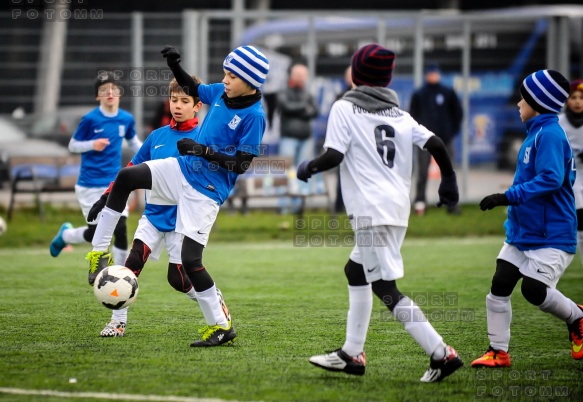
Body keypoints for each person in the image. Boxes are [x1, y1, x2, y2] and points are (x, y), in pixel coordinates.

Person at [296, 44, 463, 382]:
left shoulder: (345, 107)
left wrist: (308, 167)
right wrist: (449, 180)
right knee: (355, 272)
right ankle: (352, 353)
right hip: (395, 209)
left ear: (356, 75)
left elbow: (333, 156)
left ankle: (441, 353)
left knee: (386, 288)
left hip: (370, 212)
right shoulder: (398, 114)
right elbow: (436, 144)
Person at [84, 44, 269, 347]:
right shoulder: (222, 94)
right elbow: (194, 86)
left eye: (231, 76)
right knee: (127, 176)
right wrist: (175, 66)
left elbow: (243, 164)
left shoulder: (254, 116)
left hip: (206, 191)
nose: (224, 80)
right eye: (224, 73)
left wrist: (203, 151)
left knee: (190, 262)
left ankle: (221, 327)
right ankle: (97, 253)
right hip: (183, 170)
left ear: (249, 81)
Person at [89, 75, 230, 337]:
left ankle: (215, 303)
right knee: (130, 266)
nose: (177, 105)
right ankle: (117, 323)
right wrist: (105, 197)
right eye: (173, 100)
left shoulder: (203, 138)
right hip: (153, 217)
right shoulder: (157, 137)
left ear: (198, 106)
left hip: (181, 222)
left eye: (184, 101)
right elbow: (131, 170)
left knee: (178, 279)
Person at [471, 70, 583, 368]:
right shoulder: (538, 131)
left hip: (551, 234)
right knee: (500, 284)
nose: (519, 102)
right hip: (525, 233)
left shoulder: (548, 134)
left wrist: (507, 196)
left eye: (524, 97)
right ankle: (498, 351)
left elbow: (551, 178)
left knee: (533, 291)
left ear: (539, 101)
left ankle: (577, 318)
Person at [49, 71, 142, 266]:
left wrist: (152, 154)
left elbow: (133, 142)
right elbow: (73, 145)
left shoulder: (126, 119)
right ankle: (66, 235)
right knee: (96, 234)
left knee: (121, 228)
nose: (109, 92)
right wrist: (92, 144)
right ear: (97, 96)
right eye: (103, 90)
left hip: (114, 183)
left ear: (119, 93)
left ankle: (121, 273)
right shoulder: (90, 119)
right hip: (90, 185)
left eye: (113, 89)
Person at [410, 62, 463, 216]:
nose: (433, 76)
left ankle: (451, 204)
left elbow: (457, 113)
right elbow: (413, 115)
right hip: (425, 140)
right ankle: (420, 202)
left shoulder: (447, 92)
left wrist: (451, 131)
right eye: (430, 73)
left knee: (449, 171)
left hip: (445, 139)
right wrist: (418, 135)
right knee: (422, 172)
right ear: (426, 74)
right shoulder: (419, 94)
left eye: (435, 73)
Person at [560, 79, 583, 266]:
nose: (577, 101)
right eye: (573, 97)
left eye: (581, 98)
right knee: (580, 223)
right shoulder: (559, 123)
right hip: (572, 179)